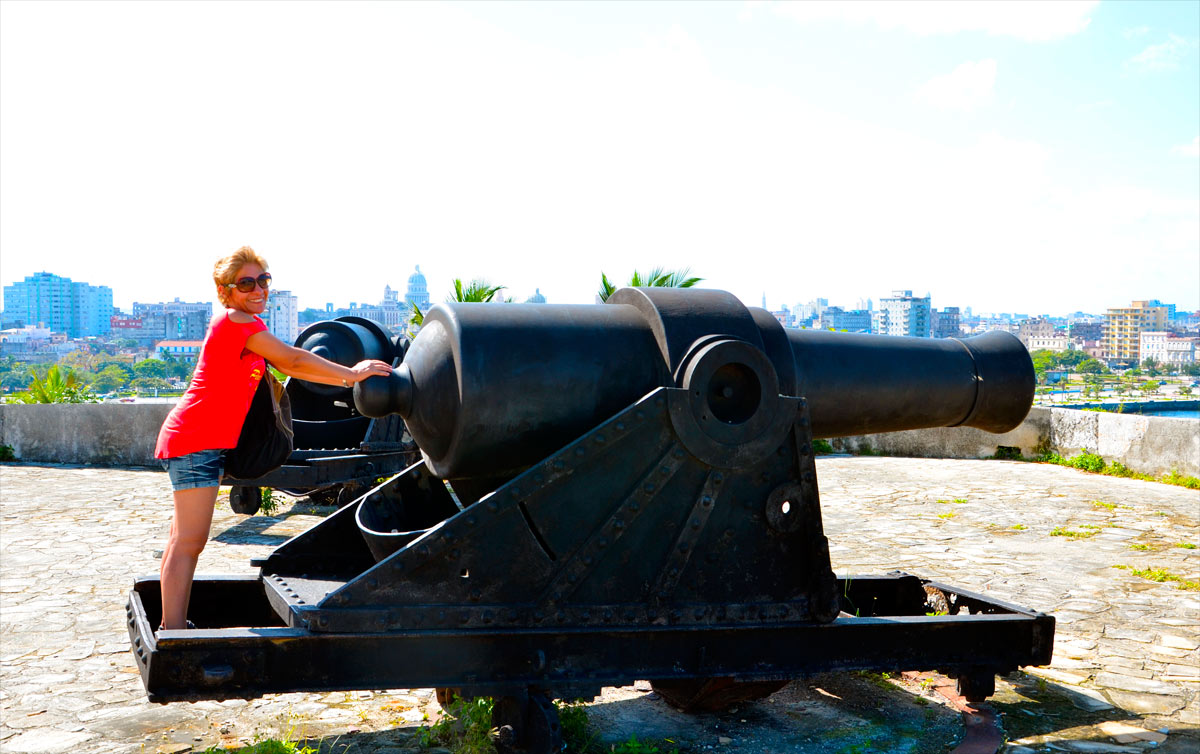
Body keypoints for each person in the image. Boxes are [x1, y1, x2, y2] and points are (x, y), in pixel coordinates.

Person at [153, 246, 393, 630]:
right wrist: (353, 374)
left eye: (263, 280)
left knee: (182, 540)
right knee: (189, 542)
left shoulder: (241, 324)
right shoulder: (235, 321)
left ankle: (173, 625)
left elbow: (289, 366)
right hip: (195, 440)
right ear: (225, 290)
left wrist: (347, 377)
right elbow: (293, 361)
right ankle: (174, 631)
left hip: (199, 439)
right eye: (245, 283)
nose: (257, 289)